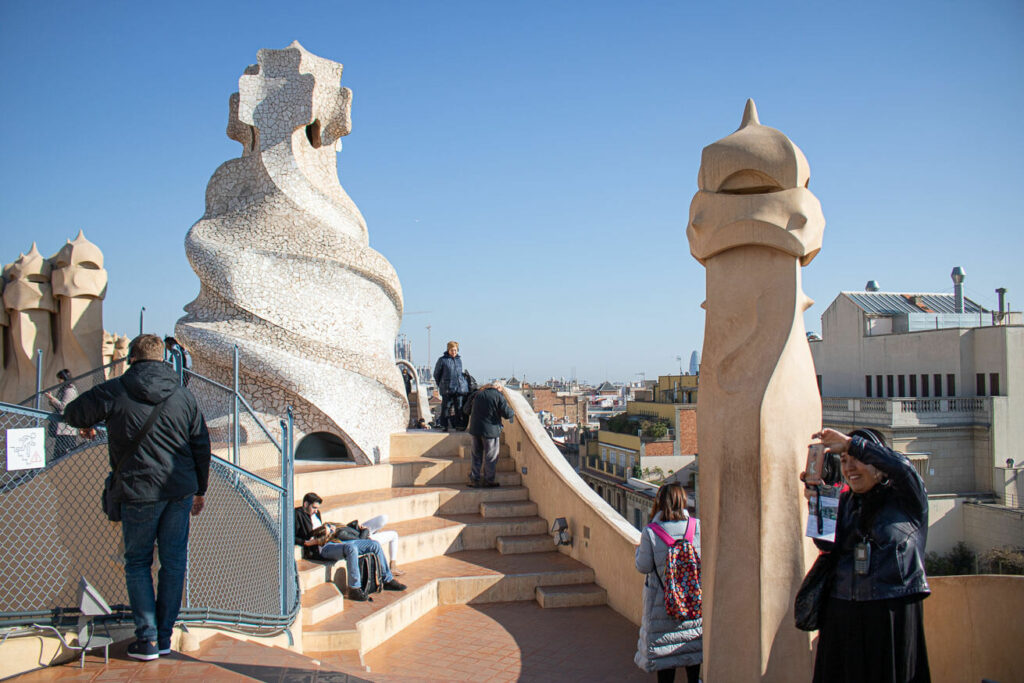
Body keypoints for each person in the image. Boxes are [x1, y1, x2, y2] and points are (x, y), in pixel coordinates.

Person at [64, 334, 211, 661]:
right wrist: (200, 489)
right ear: (162, 360)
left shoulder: (115, 389)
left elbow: (74, 412)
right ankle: (162, 638)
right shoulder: (183, 395)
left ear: (131, 358)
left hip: (139, 490)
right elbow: (201, 445)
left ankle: (145, 640)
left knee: (138, 564)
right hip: (179, 491)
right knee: (173, 564)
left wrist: (89, 424)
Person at [806, 428, 930, 683]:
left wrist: (851, 444)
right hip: (842, 613)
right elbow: (826, 544)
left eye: (857, 459)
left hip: (889, 614)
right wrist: (818, 504)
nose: (850, 468)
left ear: (879, 463)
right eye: (844, 460)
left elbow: (903, 468)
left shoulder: (907, 500)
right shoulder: (845, 502)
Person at [634, 483, 702, 683]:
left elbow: (643, 566)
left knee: (666, 664)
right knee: (693, 658)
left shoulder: (652, 532)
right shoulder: (696, 527)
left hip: (662, 606)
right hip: (692, 605)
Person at [294, 493, 406, 600]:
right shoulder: (296, 515)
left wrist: (329, 529)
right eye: (314, 508)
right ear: (305, 504)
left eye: (317, 508)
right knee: (350, 548)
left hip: (334, 541)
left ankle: (387, 580)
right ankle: (354, 588)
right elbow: (292, 537)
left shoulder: (316, 514)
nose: (316, 510)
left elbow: (320, 530)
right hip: (323, 549)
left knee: (374, 545)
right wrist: (306, 543)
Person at [465, 380, 514, 488]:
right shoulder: (498, 396)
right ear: (498, 388)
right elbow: (507, 413)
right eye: (502, 389)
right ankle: (488, 480)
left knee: (476, 455)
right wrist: (512, 412)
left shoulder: (478, 394)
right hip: (490, 431)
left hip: (475, 430)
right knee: (491, 456)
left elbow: (466, 410)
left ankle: (474, 479)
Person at [432, 341, 468, 431]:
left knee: (458, 407)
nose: (454, 352)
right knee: (446, 407)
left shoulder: (459, 360)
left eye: (455, 350)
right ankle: (444, 425)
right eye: (452, 350)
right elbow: (436, 374)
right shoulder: (442, 360)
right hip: (447, 387)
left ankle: (458, 425)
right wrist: (441, 384)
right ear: (448, 350)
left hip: (458, 388)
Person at [45, 369, 79, 457]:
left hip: (67, 430)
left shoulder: (69, 390)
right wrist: (52, 399)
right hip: (63, 429)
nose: (59, 381)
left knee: (63, 453)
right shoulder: (64, 389)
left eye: (60, 379)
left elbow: (63, 406)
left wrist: (52, 399)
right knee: (59, 453)